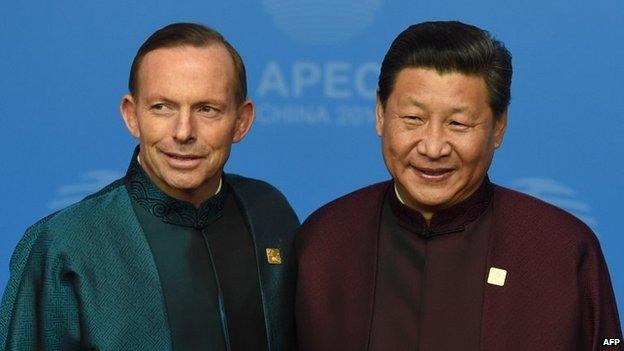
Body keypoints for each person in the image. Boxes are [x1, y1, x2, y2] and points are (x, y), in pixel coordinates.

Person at [295, 21, 621, 351]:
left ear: (498, 127)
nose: (433, 147)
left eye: (458, 123)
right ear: (380, 113)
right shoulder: (325, 242)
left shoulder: (559, 250)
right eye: (412, 119)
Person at [0, 23, 299, 350]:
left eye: (206, 109)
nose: (183, 131)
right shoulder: (65, 244)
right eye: (162, 107)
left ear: (241, 121)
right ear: (132, 115)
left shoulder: (269, 214)